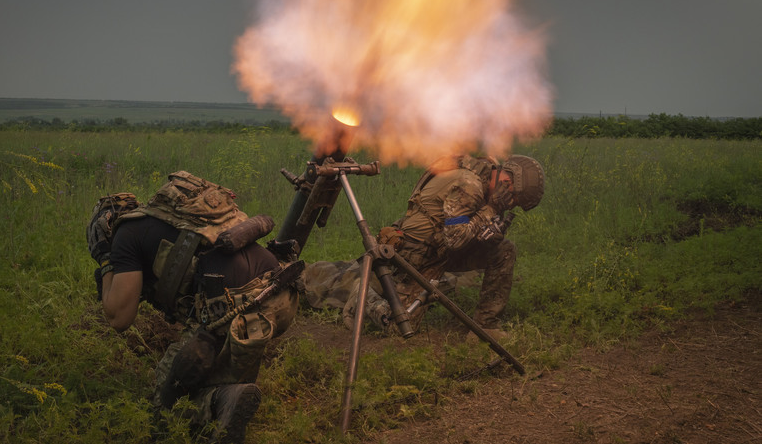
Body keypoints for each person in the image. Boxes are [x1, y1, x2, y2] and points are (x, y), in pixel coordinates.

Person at [86, 171, 300, 443]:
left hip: (237, 308)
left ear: (103, 228)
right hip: (281, 294)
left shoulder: (125, 236)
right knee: (211, 364)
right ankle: (230, 387)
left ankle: (221, 400)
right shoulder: (167, 219)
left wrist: (107, 262)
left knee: (165, 401)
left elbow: (119, 317)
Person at [303, 154, 544, 341]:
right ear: (506, 180)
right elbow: (456, 239)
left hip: (442, 250)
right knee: (399, 324)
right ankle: (360, 293)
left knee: (504, 250)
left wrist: (493, 230)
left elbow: (463, 234)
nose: (510, 204)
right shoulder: (470, 186)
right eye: (513, 198)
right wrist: (490, 210)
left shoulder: (485, 176)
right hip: (418, 254)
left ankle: (486, 326)